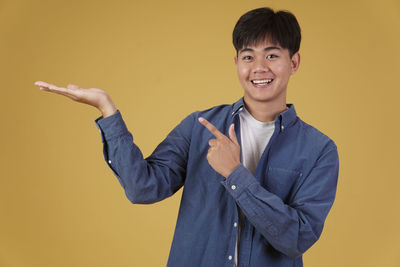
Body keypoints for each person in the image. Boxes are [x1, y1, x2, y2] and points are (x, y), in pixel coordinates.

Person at [34, 7, 339, 267]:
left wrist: (234, 173)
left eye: (272, 55)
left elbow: (296, 238)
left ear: (294, 62)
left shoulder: (318, 150)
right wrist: (107, 110)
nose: (259, 68)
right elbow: (143, 188)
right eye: (248, 57)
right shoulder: (199, 126)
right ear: (236, 64)